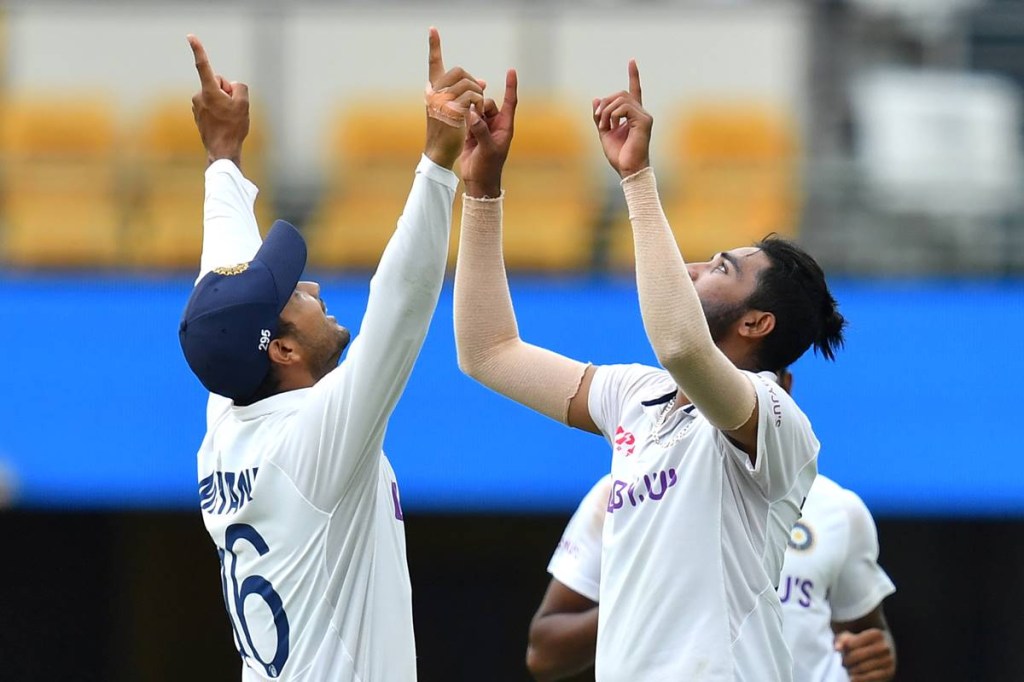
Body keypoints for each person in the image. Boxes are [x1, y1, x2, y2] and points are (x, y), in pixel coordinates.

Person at [453, 61, 845, 680]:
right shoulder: (638, 395)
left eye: (719, 268)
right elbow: (489, 352)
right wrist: (482, 192)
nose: (691, 269)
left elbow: (682, 346)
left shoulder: (775, 418)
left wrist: (636, 177)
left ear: (755, 323)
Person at [178, 31, 484, 681]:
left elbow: (221, 299)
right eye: (295, 294)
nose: (313, 287)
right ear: (284, 348)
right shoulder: (309, 439)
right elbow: (400, 307)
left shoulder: (230, 416)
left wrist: (224, 157)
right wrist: (437, 162)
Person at [526, 370, 897, 682]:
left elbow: (867, 635)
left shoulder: (840, 510)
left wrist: (877, 657)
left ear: (784, 388)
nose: (725, 396)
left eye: (741, 380)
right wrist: (648, 593)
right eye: (710, 377)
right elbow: (544, 652)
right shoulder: (622, 492)